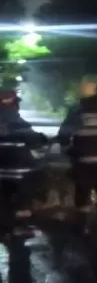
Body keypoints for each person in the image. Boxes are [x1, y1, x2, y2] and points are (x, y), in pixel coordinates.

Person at [57, 80, 97, 234]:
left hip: (82, 161)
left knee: (83, 190)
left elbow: (64, 136)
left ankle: (82, 225)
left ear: (80, 96)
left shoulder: (75, 113)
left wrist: (67, 150)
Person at [0, 89, 47, 231]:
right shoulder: (19, 123)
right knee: (27, 193)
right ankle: (22, 224)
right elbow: (36, 141)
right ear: (14, 104)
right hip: (21, 174)